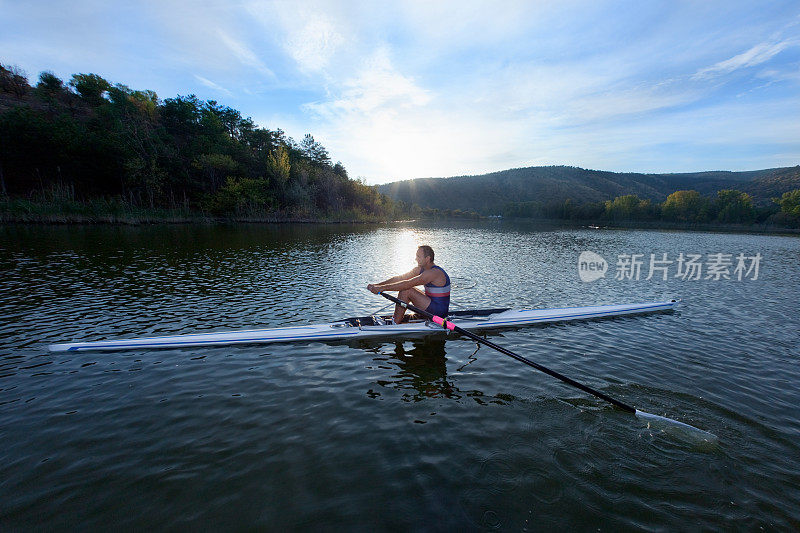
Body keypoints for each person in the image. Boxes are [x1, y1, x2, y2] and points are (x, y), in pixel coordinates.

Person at [367, 245, 451, 324]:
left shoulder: (433, 273)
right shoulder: (420, 270)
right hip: (431, 306)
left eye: (418, 256)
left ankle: (394, 323)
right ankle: (396, 319)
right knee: (406, 288)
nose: (416, 259)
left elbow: (408, 284)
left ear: (427, 258)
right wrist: (377, 285)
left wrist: (382, 288)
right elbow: (400, 279)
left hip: (439, 313)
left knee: (407, 290)